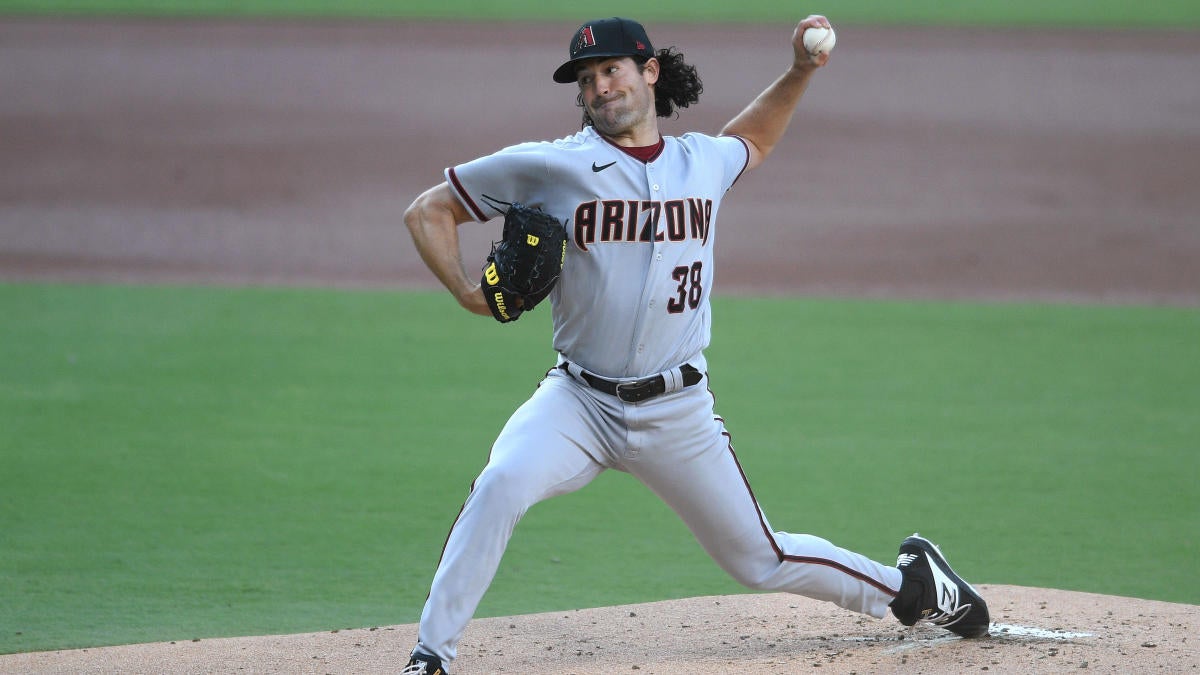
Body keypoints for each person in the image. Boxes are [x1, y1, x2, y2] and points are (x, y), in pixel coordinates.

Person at [401, 15, 990, 674]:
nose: (600, 86)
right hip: (577, 401)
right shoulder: (551, 166)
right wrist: (466, 292)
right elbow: (428, 209)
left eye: (612, 69)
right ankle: (432, 654)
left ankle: (913, 587)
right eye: (588, 79)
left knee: (760, 557)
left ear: (649, 72)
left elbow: (754, 138)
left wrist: (799, 71)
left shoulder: (700, 162)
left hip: (676, 411)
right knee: (502, 481)